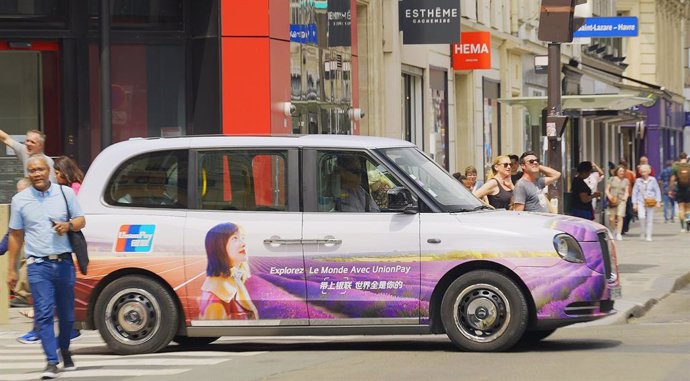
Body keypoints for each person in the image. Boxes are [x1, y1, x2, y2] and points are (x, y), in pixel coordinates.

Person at [6, 155, 86, 379]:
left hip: (63, 263)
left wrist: (68, 225)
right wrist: (11, 269)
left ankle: (65, 351)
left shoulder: (65, 193)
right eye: (32, 170)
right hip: (37, 265)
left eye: (40, 169)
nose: (37, 174)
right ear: (28, 173)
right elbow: (16, 235)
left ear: (49, 171)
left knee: (68, 316)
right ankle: (51, 361)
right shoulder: (20, 200)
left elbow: (81, 220)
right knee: (43, 315)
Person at [199, 222, 258, 320]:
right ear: (219, 246)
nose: (244, 243)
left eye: (242, 238)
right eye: (234, 238)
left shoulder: (232, 279)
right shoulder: (216, 302)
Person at [632, 164, 661, 241]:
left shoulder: (653, 180)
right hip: (640, 201)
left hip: (650, 201)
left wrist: (658, 201)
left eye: (644, 171)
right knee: (641, 216)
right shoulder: (638, 181)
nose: (643, 173)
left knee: (650, 219)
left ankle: (649, 235)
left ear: (649, 171)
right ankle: (642, 232)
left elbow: (657, 190)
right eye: (641, 171)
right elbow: (634, 192)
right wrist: (634, 203)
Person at [605, 165, 630, 241]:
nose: (621, 173)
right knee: (611, 218)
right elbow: (607, 190)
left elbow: (626, 191)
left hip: (621, 200)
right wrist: (609, 196)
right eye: (620, 171)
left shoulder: (626, 181)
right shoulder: (611, 179)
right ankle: (613, 230)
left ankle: (619, 233)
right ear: (617, 172)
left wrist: (625, 198)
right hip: (612, 200)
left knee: (620, 216)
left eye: (623, 171)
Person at [669, 152, 690, 232]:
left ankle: (682, 227)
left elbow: (672, 179)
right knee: (688, 208)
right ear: (686, 158)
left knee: (681, 207)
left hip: (679, 189)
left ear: (679, 158)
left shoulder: (676, 167)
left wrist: (671, 189)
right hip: (688, 189)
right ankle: (688, 221)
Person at [619, 159, 637, 234]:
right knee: (621, 213)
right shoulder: (617, 173)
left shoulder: (630, 174)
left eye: (624, 166)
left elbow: (634, 184)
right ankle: (622, 229)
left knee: (629, 213)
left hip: (629, 196)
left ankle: (625, 226)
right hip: (619, 196)